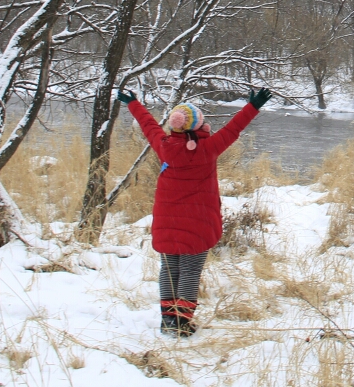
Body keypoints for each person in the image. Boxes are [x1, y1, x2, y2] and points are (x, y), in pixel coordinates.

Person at [116, 86, 272, 338]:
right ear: (198, 126)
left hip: (167, 223)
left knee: (168, 270)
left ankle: (168, 321)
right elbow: (234, 128)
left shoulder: (165, 145)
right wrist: (253, 105)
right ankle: (182, 323)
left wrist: (133, 103)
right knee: (190, 271)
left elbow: (148, 126)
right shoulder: (208, 148)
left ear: (174, 127)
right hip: (198, 223)